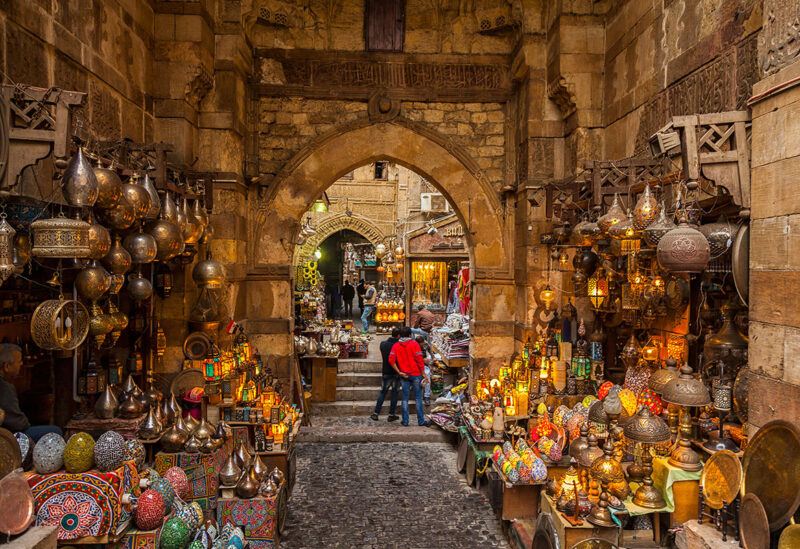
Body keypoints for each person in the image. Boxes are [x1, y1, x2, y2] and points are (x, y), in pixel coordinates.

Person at [0, 343, 62, 442]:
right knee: (55, 431)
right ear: (6, 366)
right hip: (8, 436)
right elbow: (17, 423)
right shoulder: (4, 387)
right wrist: (26, 423)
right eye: (19, 361)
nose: (21, 364)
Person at [388, 327, 430, 427]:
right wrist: (423, 373)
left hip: (404, 375)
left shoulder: (396, 345)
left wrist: (399, 372)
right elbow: (420, 360)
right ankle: (421, 421)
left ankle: (405, 421)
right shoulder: (414, 344)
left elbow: (391, 360)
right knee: (418, 398)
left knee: (404, 399)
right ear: (409, 335)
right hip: (416, 374)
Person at [370, 327, 401, 422]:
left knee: (383, 392)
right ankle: (391, 414)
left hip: (386, 372)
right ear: (399, 336)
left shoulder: (383, 344)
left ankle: (376, 413)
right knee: (395, 393)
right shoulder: (399, 345)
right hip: (396, 372)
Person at [415, 335, 432, 406]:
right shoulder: (414, 347)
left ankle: (426, 396)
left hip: (423, 365)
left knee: (427, 374)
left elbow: (430, 351)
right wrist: (422, 360)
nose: (423, 344)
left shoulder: (425, 345)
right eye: (421, 343)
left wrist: (432, 358)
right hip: (416, 365)